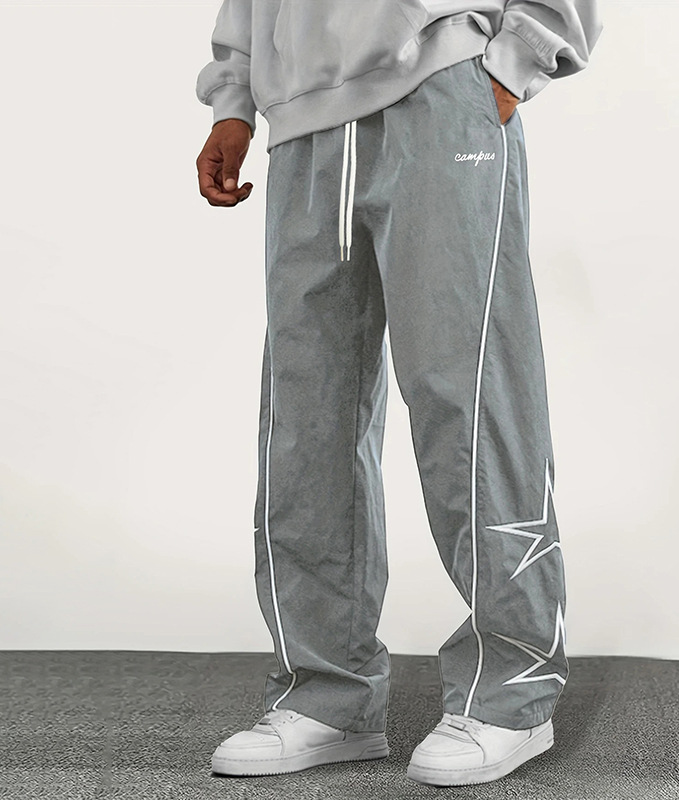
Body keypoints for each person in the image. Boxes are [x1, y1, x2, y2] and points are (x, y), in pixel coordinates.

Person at [195, 0, 602, 787]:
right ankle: (326, 695)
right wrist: (234, 98)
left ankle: (511, 693)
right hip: (303, 121)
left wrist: (520, 55)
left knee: (469, 394)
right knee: (306, 410)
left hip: (443, 87)